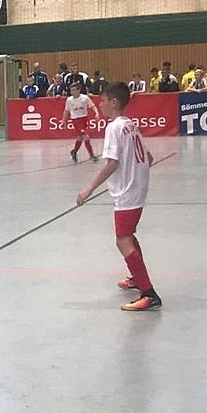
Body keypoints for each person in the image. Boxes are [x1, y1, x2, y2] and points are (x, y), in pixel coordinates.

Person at [76, 82, 160, 311]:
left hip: (127, 193)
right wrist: (136, 174)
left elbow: (112, 163)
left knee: (122, 240)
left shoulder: (113, 128)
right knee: (128, 236)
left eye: (102, 100)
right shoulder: (130, 124)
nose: (100, 104)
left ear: (114, 102)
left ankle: (149, 293)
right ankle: (137, 278)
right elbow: (149, 159)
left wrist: (88, 189)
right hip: (138, 189)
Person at [62, 83, 100, 163]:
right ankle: (92, 155)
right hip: (76, 120)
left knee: (80, 137)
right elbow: (66, 111)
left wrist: (97, 113)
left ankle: (74, 151)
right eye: (71, 90)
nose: (72, 92)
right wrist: (64, 121)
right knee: (86, 136)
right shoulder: (69, 100)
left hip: (84, 119)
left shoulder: (85, 98)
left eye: (74, 90)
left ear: (79, 90)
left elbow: (92, 106)